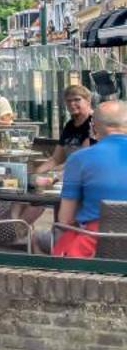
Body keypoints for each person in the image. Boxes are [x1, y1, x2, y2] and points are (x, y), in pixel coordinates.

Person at [38, 99, 127, 255]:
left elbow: (65, 220)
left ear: (93, 128)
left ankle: (50, 279)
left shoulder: (79, 159)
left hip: (95, 248)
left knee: (38, 238)